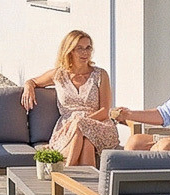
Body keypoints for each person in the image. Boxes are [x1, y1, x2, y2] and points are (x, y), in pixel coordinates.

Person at [20, 29, 120, 168]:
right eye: (80, 48)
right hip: (68, 127)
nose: (85, 53)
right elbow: (33, 81)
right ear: (70, 51)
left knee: (81, 127)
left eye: (88, 48)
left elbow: (105, 111)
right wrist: (28, 87)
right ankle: (86, 180)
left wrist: (81, 121)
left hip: (99, 124)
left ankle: (67, 170)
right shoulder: (59, 74)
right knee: (87, 143)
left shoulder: (100, 74)